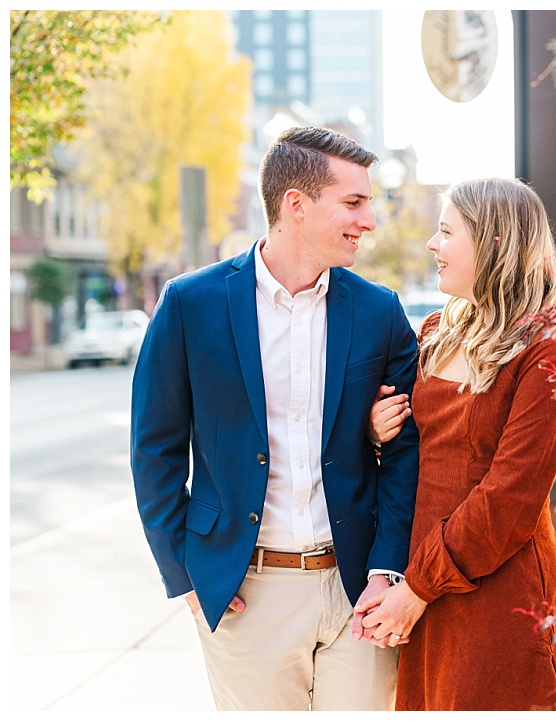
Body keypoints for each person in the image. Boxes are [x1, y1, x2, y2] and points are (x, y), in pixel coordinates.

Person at [130, 126, 420, 711]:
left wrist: (388, 568)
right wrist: (185, 575)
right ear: (296, 204)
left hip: (356, 587)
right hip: (246, 591)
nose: (368, 221)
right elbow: (154, 449)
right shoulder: (190, 304)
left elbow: (409, 449)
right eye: (353, 202)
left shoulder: (378, 310)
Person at [354, 177, 556, 711]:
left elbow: (509, 500)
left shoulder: (547, 354)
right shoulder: (436, 332)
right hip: (425, 588)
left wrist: (415, 590)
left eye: (445, 231)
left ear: (494, 243)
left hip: (502, 593)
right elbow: (412, 451)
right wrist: (373, 429)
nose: (432, 245)